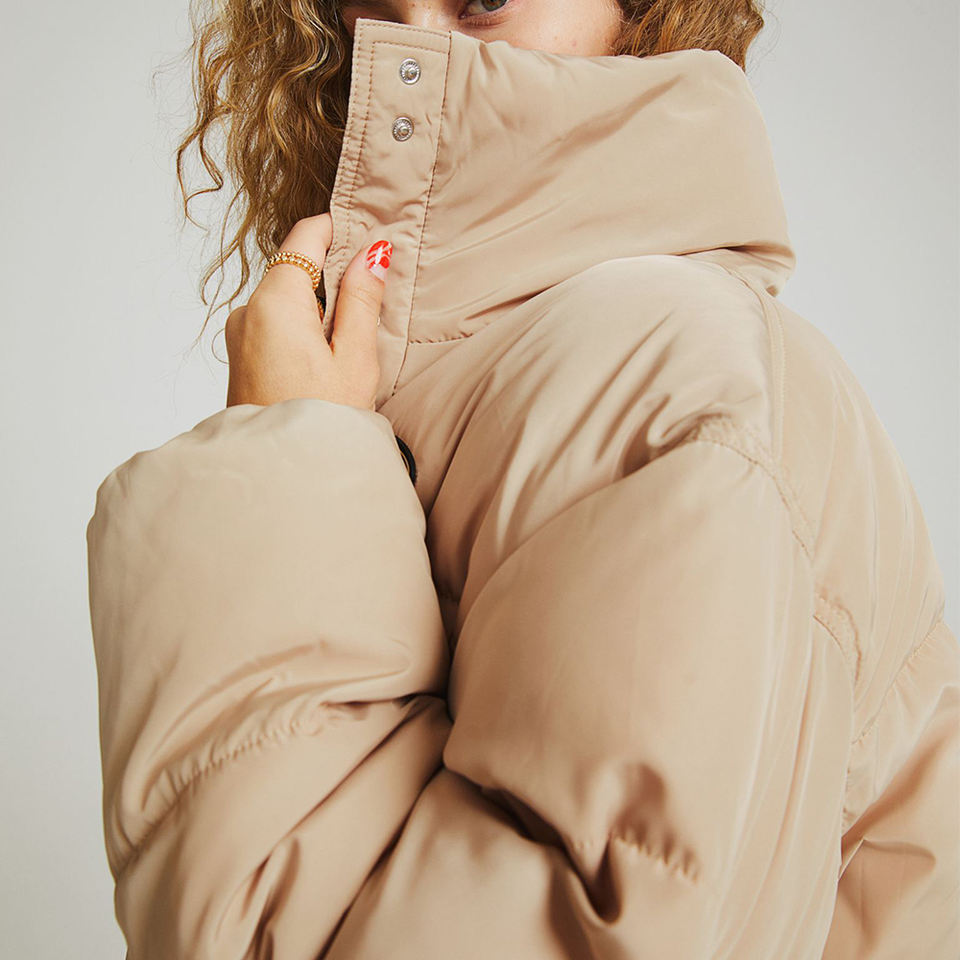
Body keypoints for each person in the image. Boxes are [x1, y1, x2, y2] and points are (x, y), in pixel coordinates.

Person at [85, 2, 960, 958]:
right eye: (372, 10)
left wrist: (283, 461)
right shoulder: (587, 368)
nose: (423, 48)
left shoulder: (668, 368)